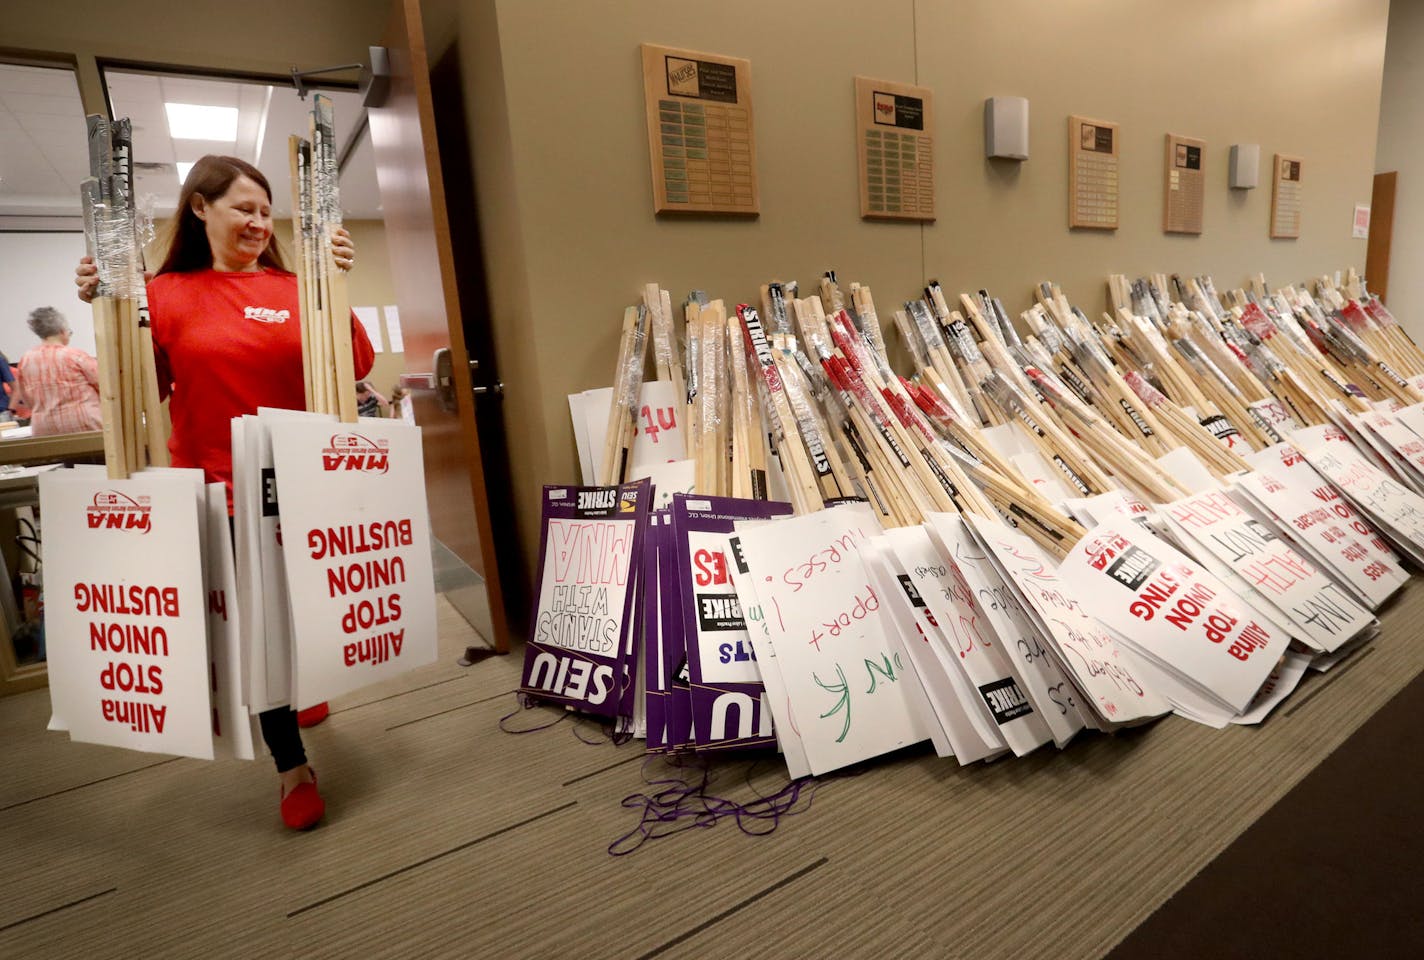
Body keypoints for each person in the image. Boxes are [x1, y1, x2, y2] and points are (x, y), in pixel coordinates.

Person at [77, 154, 374, 831]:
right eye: (244, 207)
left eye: (267, 211)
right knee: (259, 629)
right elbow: (135, 388)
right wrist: (109, 309)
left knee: (307, 609)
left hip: (305, 481)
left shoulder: (295, 284)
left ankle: (306, 689)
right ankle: (292, 767)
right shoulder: (166, 293)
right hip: (222, 490)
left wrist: (333, 283)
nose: (259, 222)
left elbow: (354, 363)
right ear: (201, 209)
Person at [12, 308, 103, 435]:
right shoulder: (76, 356)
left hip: (44, 430)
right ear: (62, 331)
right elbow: (104, 385)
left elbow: (27, 400)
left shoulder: (26, 360)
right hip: (85, 425)